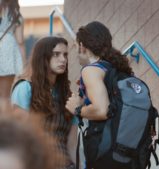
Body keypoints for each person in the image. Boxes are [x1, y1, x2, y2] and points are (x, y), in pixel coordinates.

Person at [65, 21, 133, 169]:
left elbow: (102, 110)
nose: (75, 50)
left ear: (82, 46)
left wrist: (78, 109)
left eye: (75, 46)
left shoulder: (91, 70)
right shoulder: (116, 69)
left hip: (106, 149)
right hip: (126, 150)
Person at [11, 36, 76, 169]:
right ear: (43, 57)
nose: (63, 59)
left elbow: (72, 143)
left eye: (65, 55)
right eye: (56, 54)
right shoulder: (25, 89)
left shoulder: (68, 96)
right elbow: (20, 137)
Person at [0, 0, 26, 113]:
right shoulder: (17, 16)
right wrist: (23, 66)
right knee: (5, 96)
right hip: (8, 51)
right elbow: (20, 41)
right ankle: (4, 127)